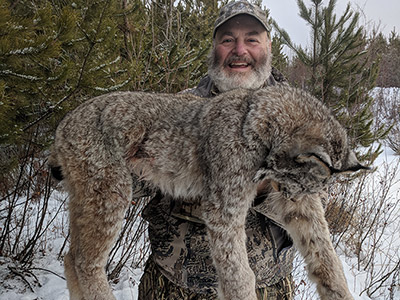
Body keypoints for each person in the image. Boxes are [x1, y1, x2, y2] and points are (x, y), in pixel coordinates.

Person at [138, 1, 294, 299]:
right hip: (172, 287)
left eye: (251, 38)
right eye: (227, 39)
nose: (239, 49)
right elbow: (134, 185)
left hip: (265, 290)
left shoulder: (294, 115)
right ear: (215, 47)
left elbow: (317, 198)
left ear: (268, 45)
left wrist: (260, 183)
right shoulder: (177, 108)